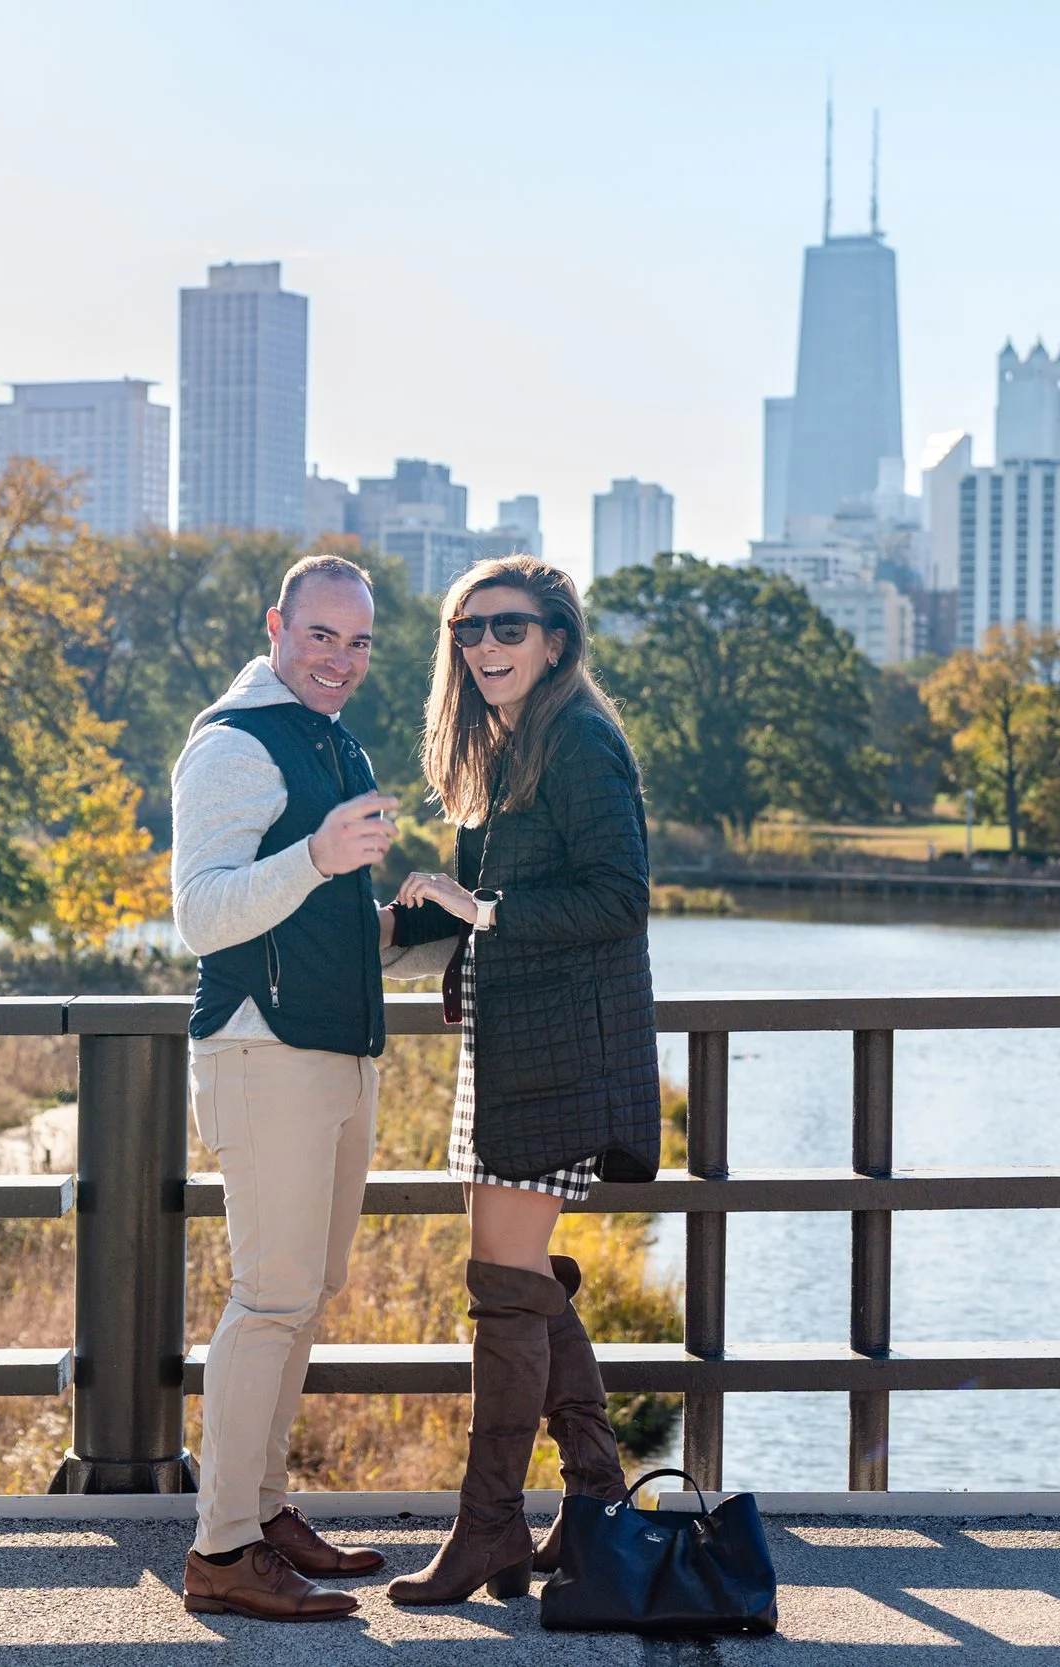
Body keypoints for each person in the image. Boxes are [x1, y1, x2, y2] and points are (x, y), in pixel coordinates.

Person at [383, 555, 659, 1605]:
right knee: (520, 1280)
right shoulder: (502, 745)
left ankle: (489, 1525)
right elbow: (463, 903)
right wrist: (350, 927)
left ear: (556, 639)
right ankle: (593, 1507)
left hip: (562, 1051)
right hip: (513, 1045)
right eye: (467, 630)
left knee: (502, 1284)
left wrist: (482, 910)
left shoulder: (579, 736)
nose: (485, 646)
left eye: (508, 627)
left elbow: (617, 897)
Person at [172, 552, 417, 1623]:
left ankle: (266, 1513)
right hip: (263, 1049)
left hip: (333, 1050)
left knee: (301, 1296)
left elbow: (318, 918)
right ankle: (221, 1546)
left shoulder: (334, 740)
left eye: (359, 642)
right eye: (322, 635)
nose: (341, 659)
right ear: (277, 625)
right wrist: (318, 854)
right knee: (268, 1297)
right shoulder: (232, 743)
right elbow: (205, 914)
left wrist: (414, 926)